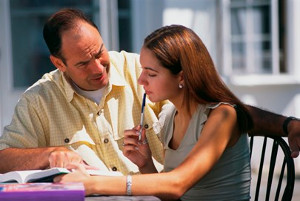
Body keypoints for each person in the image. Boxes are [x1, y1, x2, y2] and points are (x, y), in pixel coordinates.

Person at [0, 8, 299, 175]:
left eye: (99, 52)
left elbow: (215, 109)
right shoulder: (40, 99)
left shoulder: (138, 69)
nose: (99, 68)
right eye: (82, 63)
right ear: (58, 63)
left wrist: (287, 125)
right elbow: (3, 158)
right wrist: (51, 154)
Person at [54, 24, 257, 200]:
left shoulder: (222, 116)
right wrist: (146, 165)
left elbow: (177, 185)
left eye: (151, 73)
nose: (141, 80)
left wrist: (90, 184)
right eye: (142, 70)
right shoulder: (169, 117)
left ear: (182, 77)